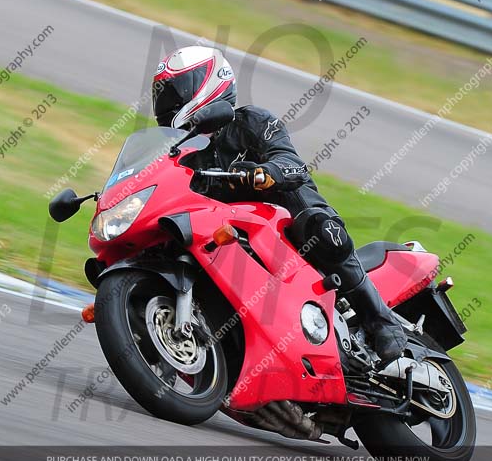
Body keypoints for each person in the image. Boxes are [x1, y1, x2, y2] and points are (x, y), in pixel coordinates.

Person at [151, 46, 407, 367]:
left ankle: (381, 321)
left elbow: (292, 163)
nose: (167, 103)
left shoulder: (251, 122)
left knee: (320, 229)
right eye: (163, 95)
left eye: (176, 92)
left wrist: (266, 173)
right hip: (236, 236)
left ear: (209, 83)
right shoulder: (184, 152)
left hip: (286, 224)